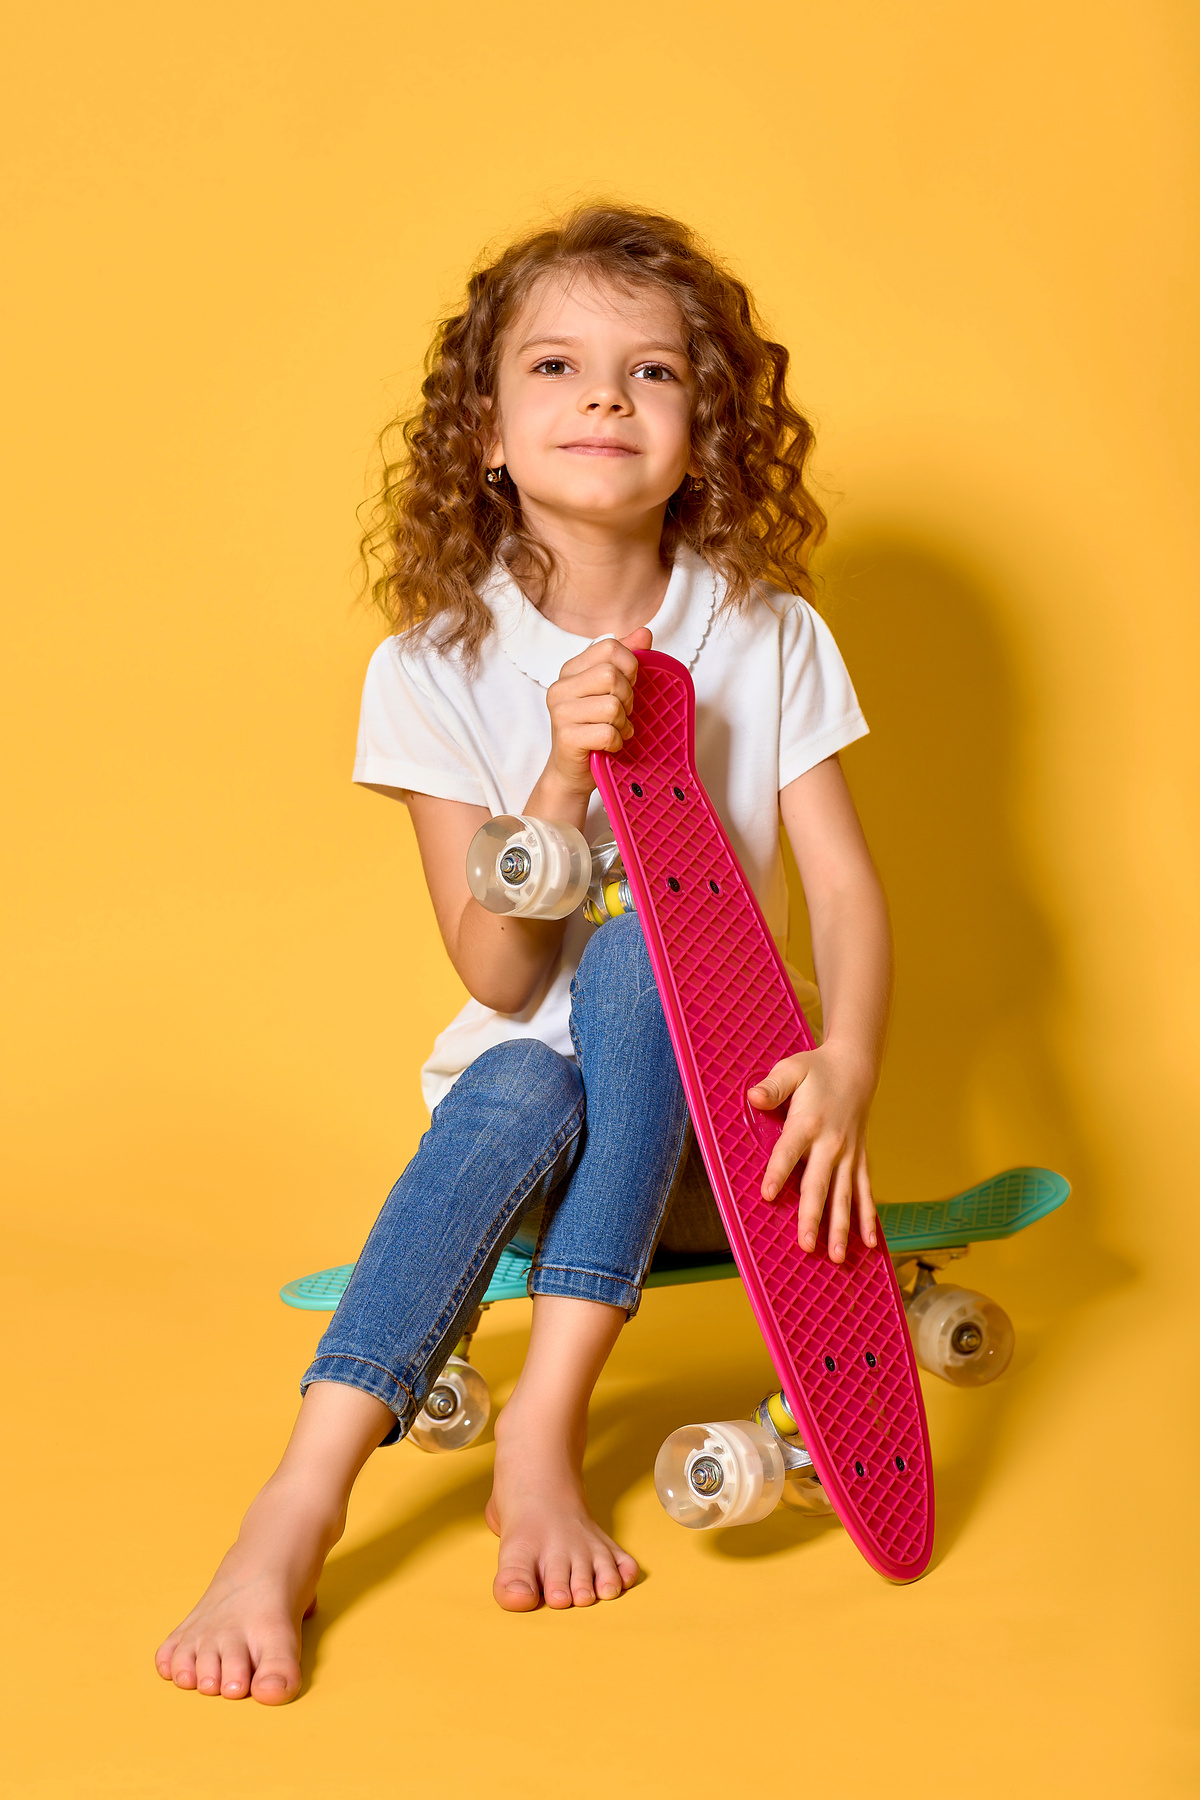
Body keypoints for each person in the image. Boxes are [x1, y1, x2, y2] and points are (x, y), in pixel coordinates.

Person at [155, 205, 892, 1704]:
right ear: (486, 430)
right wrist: (557, 784)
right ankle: (292, 1513)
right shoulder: (431, 663)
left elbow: (848, 888)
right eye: (556, 365)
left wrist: (853, 1060)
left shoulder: (766, 632)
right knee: (512, 1078)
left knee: (636, 970)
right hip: (525, 1145)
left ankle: (543, 1437)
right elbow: (498, 978)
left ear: (710, 430)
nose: (606, 397)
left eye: (655, 373)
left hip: (716, 1142)